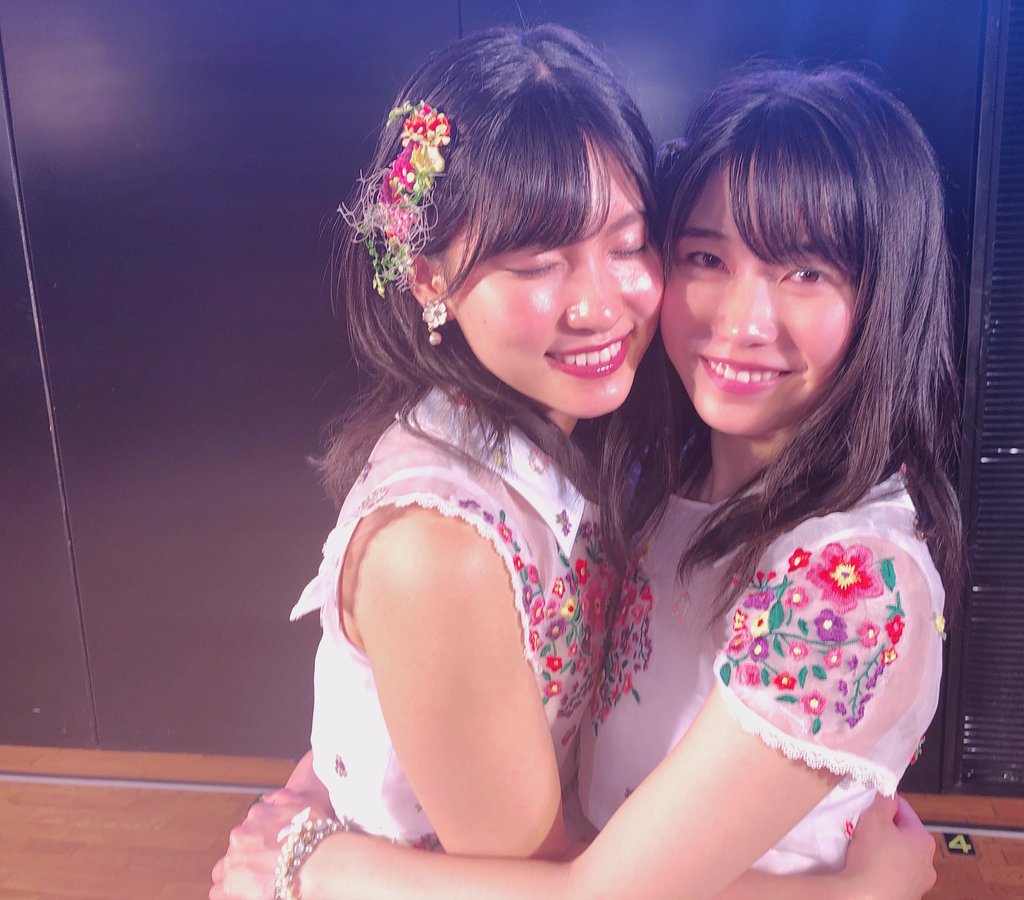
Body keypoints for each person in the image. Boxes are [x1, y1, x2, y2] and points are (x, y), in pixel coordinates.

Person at [212, 53, 947, 900]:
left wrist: (315, 863)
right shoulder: (628, 469)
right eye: (705, 258)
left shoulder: (852, 589)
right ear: (427, 276)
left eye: (807, 273)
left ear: (889, 295)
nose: (740, 321)